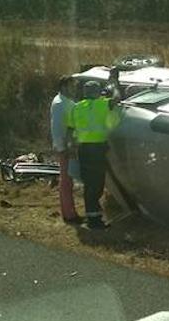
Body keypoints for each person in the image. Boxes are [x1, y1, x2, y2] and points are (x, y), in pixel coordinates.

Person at [67, 73, 121, 230]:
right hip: (97, 149)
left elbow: (70, 129)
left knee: (89, 183)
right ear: (97, 93)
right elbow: (117, 98)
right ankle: (94, 220)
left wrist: (71, 146)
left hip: (83, 149)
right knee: (97, 184)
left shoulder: (77, 107)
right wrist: (115, 84)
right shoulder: (102, 104)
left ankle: (93, 215)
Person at [50, 76, 82, 224]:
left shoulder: (67, 102)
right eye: (71, 85)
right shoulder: (60, 104)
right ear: (63, 87)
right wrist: (62, 147)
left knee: (68, 179)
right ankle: (69, 214)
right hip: (65, 146)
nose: (73, 88)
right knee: (66, 180)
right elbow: (57, 128)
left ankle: (70, 212)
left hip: (69, 145)